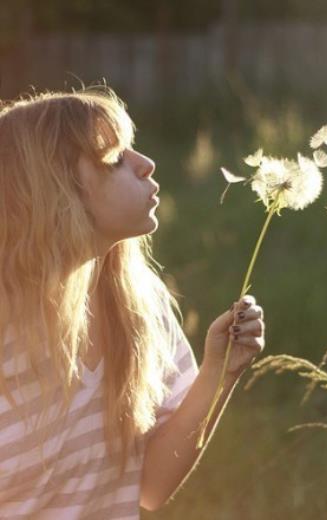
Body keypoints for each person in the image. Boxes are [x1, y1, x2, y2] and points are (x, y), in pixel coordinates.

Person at [0, 85, 265, 517]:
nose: (146, 165)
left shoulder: (139, 304)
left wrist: (221, 372)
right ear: (55, 189)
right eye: (115, 159)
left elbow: (151, 487)